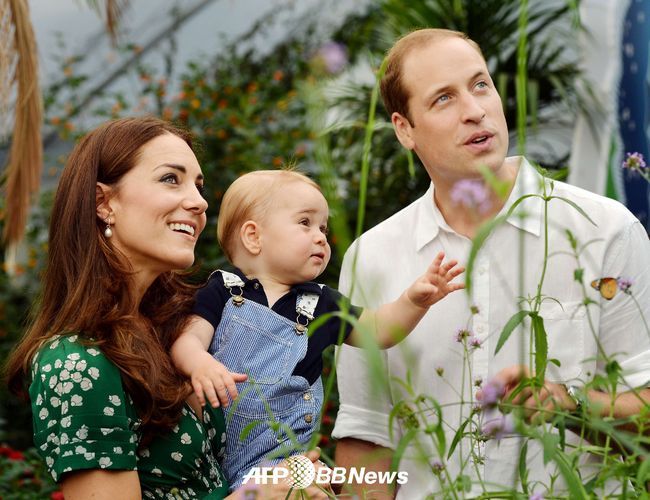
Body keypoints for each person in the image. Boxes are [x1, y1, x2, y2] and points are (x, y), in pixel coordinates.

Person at [332, 28, 650, 498]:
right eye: (444, 98)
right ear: (404, 129)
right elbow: (368, 436)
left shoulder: (604, 229)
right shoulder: (371, 255)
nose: (474, 110)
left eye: (480, 85)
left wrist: (573, 406)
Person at [5, 117, 329, 499]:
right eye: (171, 179)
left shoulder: (179, 331)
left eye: (198, 186)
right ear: (103, 203)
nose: (199, 202)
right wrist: (258, 495)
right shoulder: (76, 363)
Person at [169, 169, 465, 490]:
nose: (321, 236)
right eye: (305, 223)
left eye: (323, 227)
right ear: (254, 236)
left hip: (280, 463)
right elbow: (187, 340)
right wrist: (200, 363)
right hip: (207, 454)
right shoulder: (223, 291)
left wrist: (413, 301)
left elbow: (379, 330)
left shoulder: (321, 303)